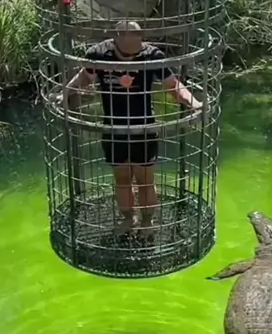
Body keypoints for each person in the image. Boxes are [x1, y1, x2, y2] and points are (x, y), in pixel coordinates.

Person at [56, 21, 202, 237]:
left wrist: (193, 102)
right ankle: (128, 219)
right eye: (128, 50)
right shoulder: (100, 54)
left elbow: (173, 85)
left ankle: (147, 222)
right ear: (116, 38)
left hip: (143, 128)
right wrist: (66, 92)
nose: (134, 52)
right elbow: (85, 76)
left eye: (138, 42)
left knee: (145, 179)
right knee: (122, 178)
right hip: (113, 128)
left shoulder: (152, 55)